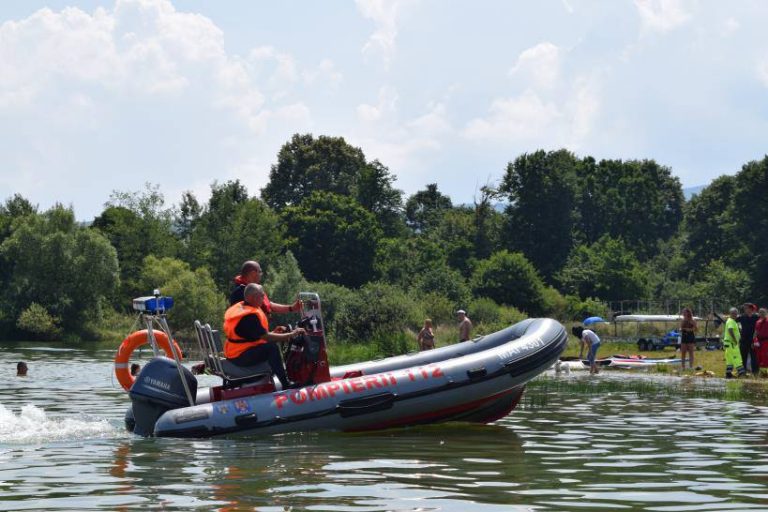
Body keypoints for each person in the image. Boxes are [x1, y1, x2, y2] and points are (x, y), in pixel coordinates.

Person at [223, 283, 306, 389]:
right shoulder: (250, 316)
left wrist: (274, 333)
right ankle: (286, 384)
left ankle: (281, 377)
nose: (264, 298)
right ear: (253, 297)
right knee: (271, 348)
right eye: (262, 295)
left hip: (235, 352)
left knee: (269, 345)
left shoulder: (243, 307)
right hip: (240, 356)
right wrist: (291, 334)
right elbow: (266, 337)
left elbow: (253, 336)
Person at [229, 260, 301, 317]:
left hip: (260, 333)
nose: (261, 274)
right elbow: (247, 323)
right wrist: (269, 335)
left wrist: (292, 308)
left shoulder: (254, 289)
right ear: (253, 273)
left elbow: (269, 305)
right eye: (260, 271)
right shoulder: (240, 293)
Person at [723, 307, 746, 378]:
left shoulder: (731, 321)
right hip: (731, 343)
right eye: (733, 313)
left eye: (736, 313)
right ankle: (741, 372)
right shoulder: (731, 321)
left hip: (728, 343)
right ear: (730, 314)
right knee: (736, 357)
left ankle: (728, 373)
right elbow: (730, 330)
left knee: (730, 359)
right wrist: (735, 340)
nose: (735, 315)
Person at [738, 303, 759, 375]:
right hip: (744, 339)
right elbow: (732, 320)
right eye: (744, 308)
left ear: (750, 309)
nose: (744, 309)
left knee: (754, 357)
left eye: (746, 308)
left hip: (752, 339)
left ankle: (755, 372)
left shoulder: (756, 317)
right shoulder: (742, 317)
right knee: (743, 356)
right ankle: (743, 371)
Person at [754, 308, 768, 377]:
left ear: (766, 313)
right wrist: (753, 341)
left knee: (765, 356)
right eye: (760, 312)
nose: (762, 314)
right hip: (759, 342)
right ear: (758, 313)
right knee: (759, 357)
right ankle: (763, 372)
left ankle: (765, 372)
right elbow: (756, 332)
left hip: (766, 341)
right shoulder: (758, 322)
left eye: (763, 312)